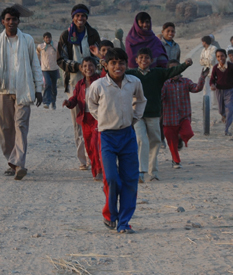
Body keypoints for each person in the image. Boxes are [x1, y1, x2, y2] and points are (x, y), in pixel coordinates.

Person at [86, 48, 147, 233]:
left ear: (127, 64)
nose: (117, 66)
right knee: (111, 178)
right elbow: (91, 105)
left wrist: (134, 118)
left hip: (127, 135)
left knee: (130, 179)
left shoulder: (134, 82)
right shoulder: (98, 85)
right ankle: (110, 215)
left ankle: (124, 222)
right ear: (105, 65)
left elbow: (141, 100)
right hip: (107, 137)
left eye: (121, 62)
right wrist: (103, 118)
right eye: (113, 63)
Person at [0, 7, 43, 180]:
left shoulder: (28, 40)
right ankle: (12, 160)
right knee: (5, 128)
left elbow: (35, 66)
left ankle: (20, 164)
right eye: (8, 19)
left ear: (18, 21)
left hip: (24, 90)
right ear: (3, 22)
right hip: (4, 90)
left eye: (14, 19)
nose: (11, 22)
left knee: (21, 126)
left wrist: (38, 89)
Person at [126, 48, 193, 182]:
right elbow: (116, 73)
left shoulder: (157, 73)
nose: (144, 60)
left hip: (154, 114)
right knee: (141, 140)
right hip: (137, 114)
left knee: (155, 141)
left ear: (151, 60)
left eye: (146, 58)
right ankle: (141, 171)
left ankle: (153, 172)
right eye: (141, 58)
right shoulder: (131, 74)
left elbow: (172, 71)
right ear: (136, 60)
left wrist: (185, 64)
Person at [57, 4, 100, 171]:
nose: (80, 19)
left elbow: (99, 55)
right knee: (79, 122)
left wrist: (90, 66)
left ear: (86, 18)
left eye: (83, 16)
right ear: (73, 18)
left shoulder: (93, 34)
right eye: (77, 16)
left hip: (94, 82)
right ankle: (82, 158)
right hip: (75, 82)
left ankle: (94, 156)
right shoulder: (66, 35)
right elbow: (60, 60)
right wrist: (78, 66)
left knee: (95, 119)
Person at [161, 61, 208, 169]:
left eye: (177, 68)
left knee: (188, 132)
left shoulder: (186, 82)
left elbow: (197, 88)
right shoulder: (165, 83)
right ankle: (176, 161)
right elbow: (160, 97)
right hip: (169, 118)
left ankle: (181, 138)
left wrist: (202, 77)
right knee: (172, 142)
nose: (175, 71)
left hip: (184, 116)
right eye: (172, 69)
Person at [63, 57, 102, 181]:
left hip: (98, 118)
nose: (88, 68)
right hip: (85, 119)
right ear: (81, 68)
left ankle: (99, 170)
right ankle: (95, 169)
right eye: (85, 66)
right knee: (89, 146)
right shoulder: (79, 84)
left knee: (96, 144)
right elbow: (75, 99)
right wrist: (68, 102)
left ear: (95, 67)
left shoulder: (101, 81)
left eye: (91, 65)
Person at [36, 32, 60, 110]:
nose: (48, 39)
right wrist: (38, 64)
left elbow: (60, 54)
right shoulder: (40, 47)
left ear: (51, 38)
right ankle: (46, 102)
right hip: (45, 69)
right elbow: (37, 55)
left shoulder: (56, 45)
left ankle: (53, 102)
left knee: (54, 87)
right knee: (48, 84)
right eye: (46, 38)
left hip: (54, 68)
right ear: (44, 39)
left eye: (49, 38)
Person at [200, 35, 218, 108]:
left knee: (215, 88)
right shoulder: (203, 50)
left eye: (202, 42)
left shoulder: (214, 48)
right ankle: (207, 105)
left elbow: (211, 60)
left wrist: (204, 61)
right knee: (205, 88)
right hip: (205, 71)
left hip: (214, 70)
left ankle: (216, 104)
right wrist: (205, 61)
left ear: (205, 42)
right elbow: (200, 61)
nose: (202, 43)